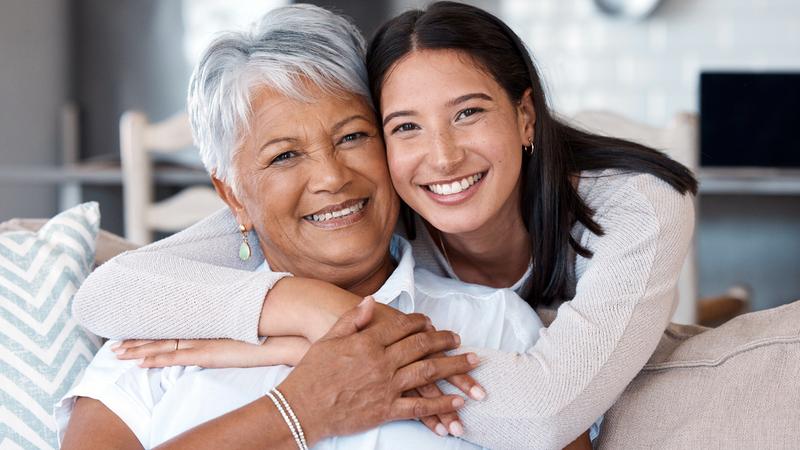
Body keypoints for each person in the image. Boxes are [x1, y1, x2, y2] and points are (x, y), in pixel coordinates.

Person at [72, 2, 696, 448]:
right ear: (233, 195)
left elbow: (543, 415)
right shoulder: (159, 344)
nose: (332, 178)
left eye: (351, 137)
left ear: (525, 117)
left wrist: (343, 350)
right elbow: (105, 291)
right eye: (285, 155)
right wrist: (306, 376)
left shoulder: (511, 312)